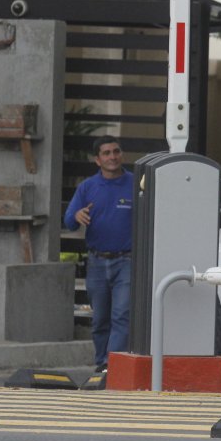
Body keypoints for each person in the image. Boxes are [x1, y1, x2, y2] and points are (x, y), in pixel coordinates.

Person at [64, 135, 134, 372]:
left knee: (121, 315)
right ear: (97, 160)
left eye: (116, 151)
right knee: (100, 319)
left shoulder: (136, 184)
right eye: (106, 153)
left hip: (127, 260)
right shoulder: (87, 187)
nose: (112, 157)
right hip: (96, 261)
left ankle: (113, 366)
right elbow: (69, 222)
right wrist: (76, 216)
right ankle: (101, 362)